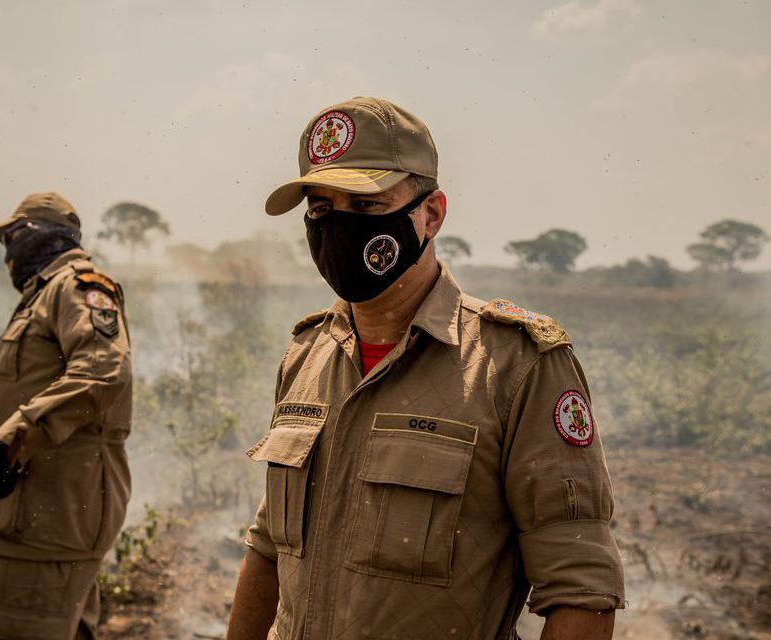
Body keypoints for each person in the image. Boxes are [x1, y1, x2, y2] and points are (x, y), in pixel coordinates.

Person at [227, 97, 624, 639]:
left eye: (365, 207)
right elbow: (271, 545)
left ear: (431, 213)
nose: (339, 228)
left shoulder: (516, 366)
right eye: (321, 209)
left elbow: (581, 586)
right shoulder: (307, 354)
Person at [0, 191, 133, 640]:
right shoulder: (46, 294)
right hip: (41, 514)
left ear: (35, 234)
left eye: (10, 236)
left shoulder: (76, 286)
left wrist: (13, 438)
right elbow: (27, 386)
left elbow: (104, 371)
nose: (7, 251)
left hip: (51, 520)